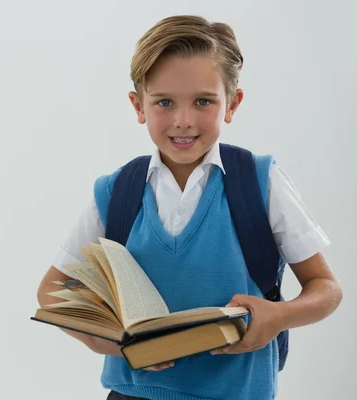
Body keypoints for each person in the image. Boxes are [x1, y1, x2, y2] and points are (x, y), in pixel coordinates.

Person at [36, 15, 343, 400]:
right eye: (165, 102)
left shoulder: (261, 182)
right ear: (138, 105)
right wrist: (108, 341)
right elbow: (52, 291)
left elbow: (326, 288)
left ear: (231, 103)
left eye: (203, 101)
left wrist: (279, 317)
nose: (183, 121)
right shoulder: (116, 191)